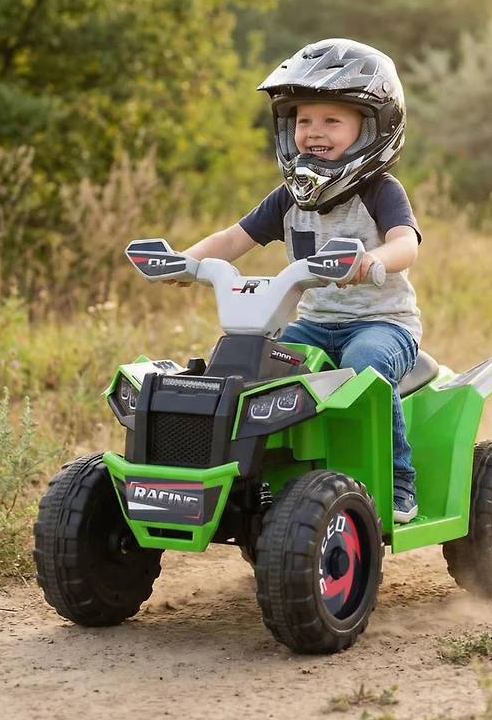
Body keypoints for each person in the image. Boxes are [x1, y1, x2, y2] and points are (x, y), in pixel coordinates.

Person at [177, 38, 423, 523]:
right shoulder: (289, 198)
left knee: (365, 364)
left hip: (381, 324)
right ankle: (257, 482)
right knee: (250, 364)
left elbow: (406, 243)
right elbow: (232, 239)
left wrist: (373, 259)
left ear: (372, 127)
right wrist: (185, 261)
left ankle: (398, 484)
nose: (314, 132)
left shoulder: (379, 190)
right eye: (304, 120)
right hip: (312, 325)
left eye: (332, 120)